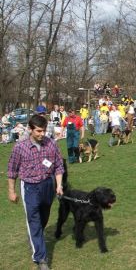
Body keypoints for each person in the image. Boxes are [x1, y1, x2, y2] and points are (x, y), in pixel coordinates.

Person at [8, 114, 64, 270]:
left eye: (44, 131)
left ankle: (34, 236)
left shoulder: (52, 144)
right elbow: (12, 171)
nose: (42, 134)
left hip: (48, 186)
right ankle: (41, 259)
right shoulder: (20, 148)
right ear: (30, 129)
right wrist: (11, 191)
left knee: (43, 218)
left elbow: (59, 166)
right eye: (38, 131)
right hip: (29, 187)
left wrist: (58, 185)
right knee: (34, 220)